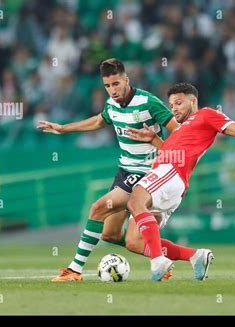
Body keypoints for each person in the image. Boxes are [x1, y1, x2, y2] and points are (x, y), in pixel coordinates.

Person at [37, 59, 209, 281]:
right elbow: (99, 121)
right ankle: (190, 256)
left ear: (126, 79)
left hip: (146, 173)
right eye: (108, 86)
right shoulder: (111, 104)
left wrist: (162, 147)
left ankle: (74, 270)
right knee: (114, 235)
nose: (113, 90)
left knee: (97, 208)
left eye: (116, 84)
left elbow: (179, 134)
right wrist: (64, 129)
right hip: (124, 172)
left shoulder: (148, 102)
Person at [125, 83, 235, 281]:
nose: (174, 108)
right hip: (168, 179)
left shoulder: (206, 115)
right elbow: (171, 153)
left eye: (178, 103)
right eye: (171, 105)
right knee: (133, 241)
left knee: (135, 202)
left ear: (193, 101)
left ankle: (159, 260)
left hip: (170, 173)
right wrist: (154, 139)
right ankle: (196, 256)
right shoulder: (178, 131)